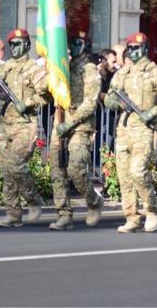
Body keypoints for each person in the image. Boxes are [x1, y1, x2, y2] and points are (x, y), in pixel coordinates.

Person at [104, 33, 157, 233]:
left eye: (137, 48)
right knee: (124, 176)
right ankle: (132, 217)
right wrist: (118, 102)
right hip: (124, 129)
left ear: (145, 49)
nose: (133, 51)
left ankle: (152, 210)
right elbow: (108, 99)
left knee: (138, 172)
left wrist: (151, 112)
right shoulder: (123, 73)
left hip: (145, 130)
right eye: (131, 48)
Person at [0, 29, 48, 227]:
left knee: (17, 165)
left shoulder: (34, 68)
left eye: (19, 44)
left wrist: (26, 102)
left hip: (25, 124)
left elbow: (46, 96)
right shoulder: (5, 67)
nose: (15, 48)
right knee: (6, 170)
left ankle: (34, 199)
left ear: (27, 45)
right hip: (5, 124)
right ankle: (13, 213)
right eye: (12, 45)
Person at [48, 32, 104, 230]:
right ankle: (64, 214)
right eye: (71, 42)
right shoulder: (63, 68)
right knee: (57, 170)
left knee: (76, 170)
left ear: (86, 46)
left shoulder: (90, 70)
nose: (72, 45)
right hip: (60, 123)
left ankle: (93, 201)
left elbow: (90, 104)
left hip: (79, 127)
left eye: (78, 42)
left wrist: (69, 123)